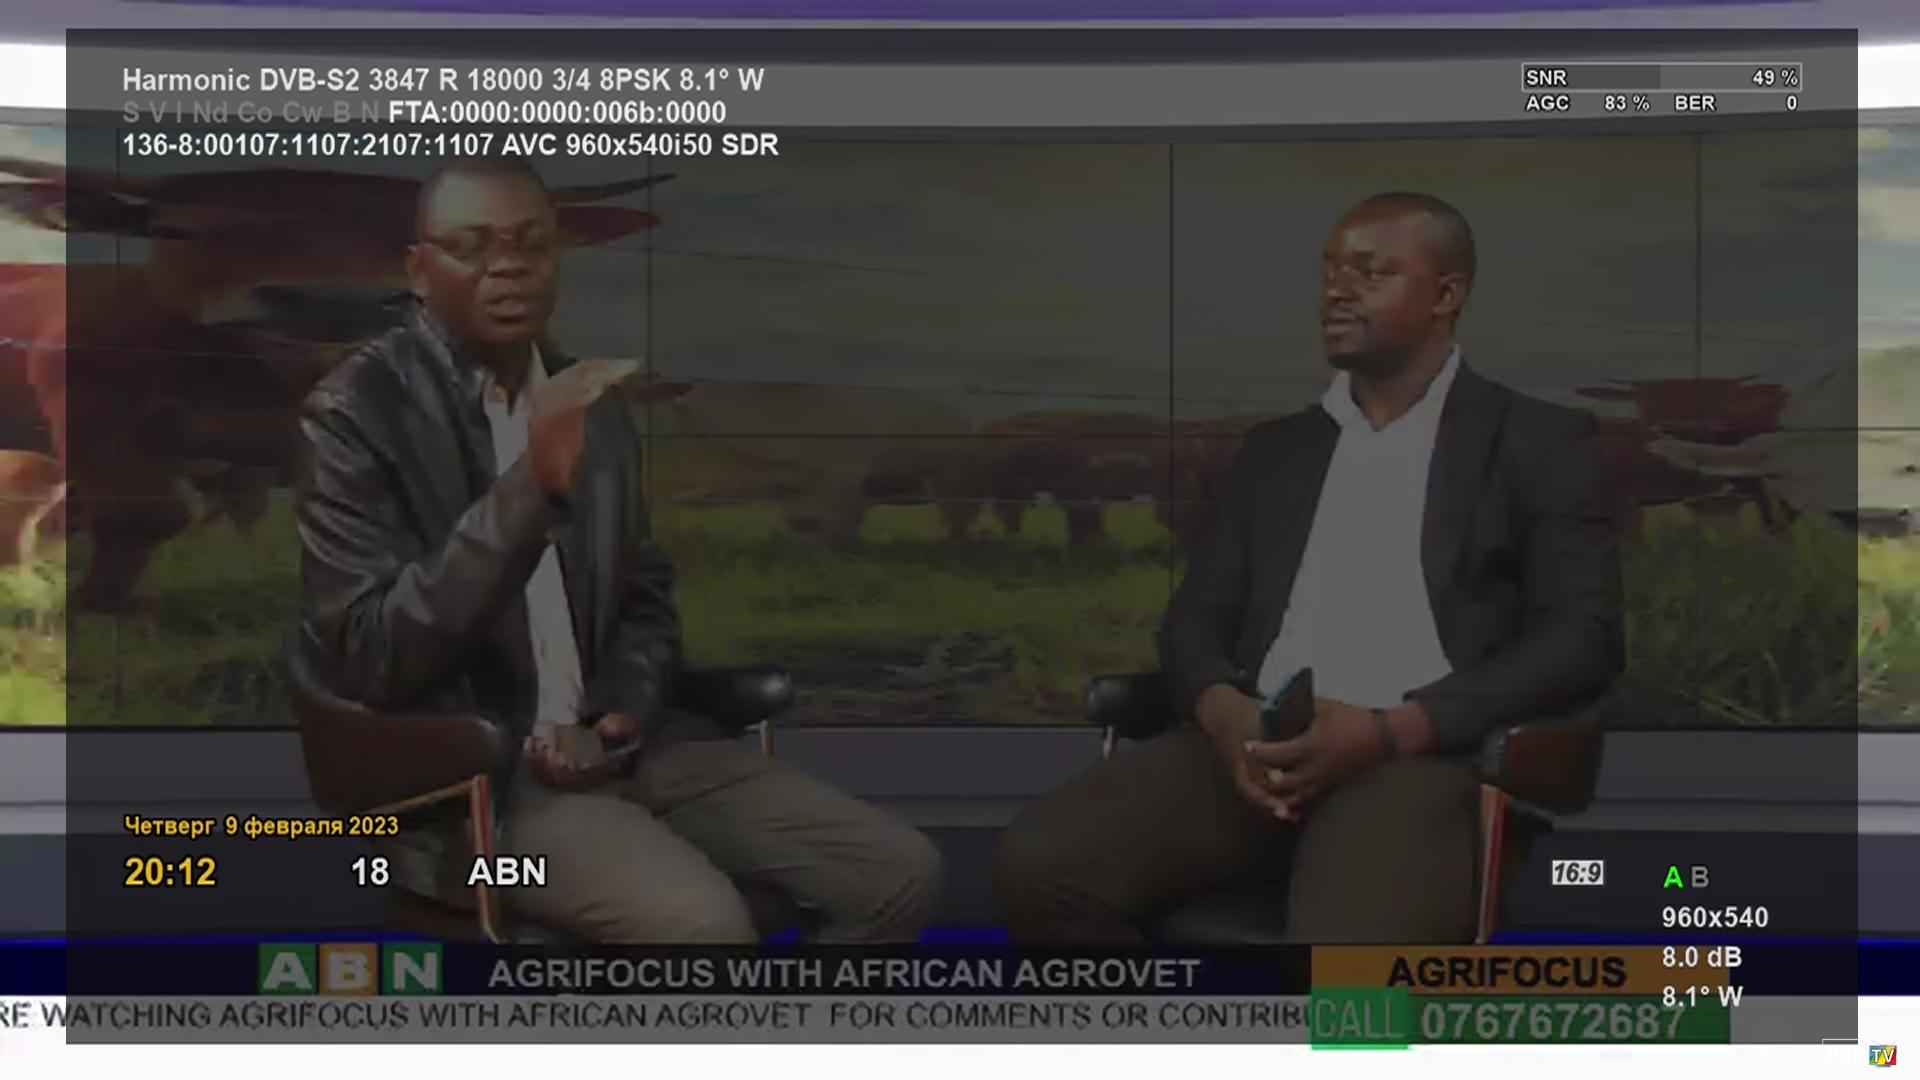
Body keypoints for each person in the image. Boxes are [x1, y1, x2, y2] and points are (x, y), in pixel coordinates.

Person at [294, 157, 941, 942]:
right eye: (471, 245)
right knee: (703, 929)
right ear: (420, 271)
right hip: (478, 785)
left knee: (894, 873)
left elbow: (644, 599)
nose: (508, 265)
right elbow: (374, 654)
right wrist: (529, 487)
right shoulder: (356, 412)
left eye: (531, 244)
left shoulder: (591, 405)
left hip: (631, 751)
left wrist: (620, 712)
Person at [995, 192, 1623, 944]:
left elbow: (1581, 637)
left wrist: (1392, 731)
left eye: (1370, 272)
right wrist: (1222, 712)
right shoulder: (1276, 453)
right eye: (1329, 272)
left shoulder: (1536, 441)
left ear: (1445, 295)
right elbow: (1197, 615)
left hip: (1422, 758)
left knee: (1347, 959)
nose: (1337, 291)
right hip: (1257, 748)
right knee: (1041, 869)